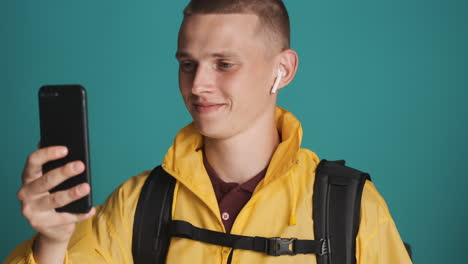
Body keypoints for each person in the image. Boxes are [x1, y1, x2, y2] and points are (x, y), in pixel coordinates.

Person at [5, 0, 412, 263]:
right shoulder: (136, 203)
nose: (198, 85)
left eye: (224, 64)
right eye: (187, 64)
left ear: (281, 70)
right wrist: (53, 243)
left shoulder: (349, 208)